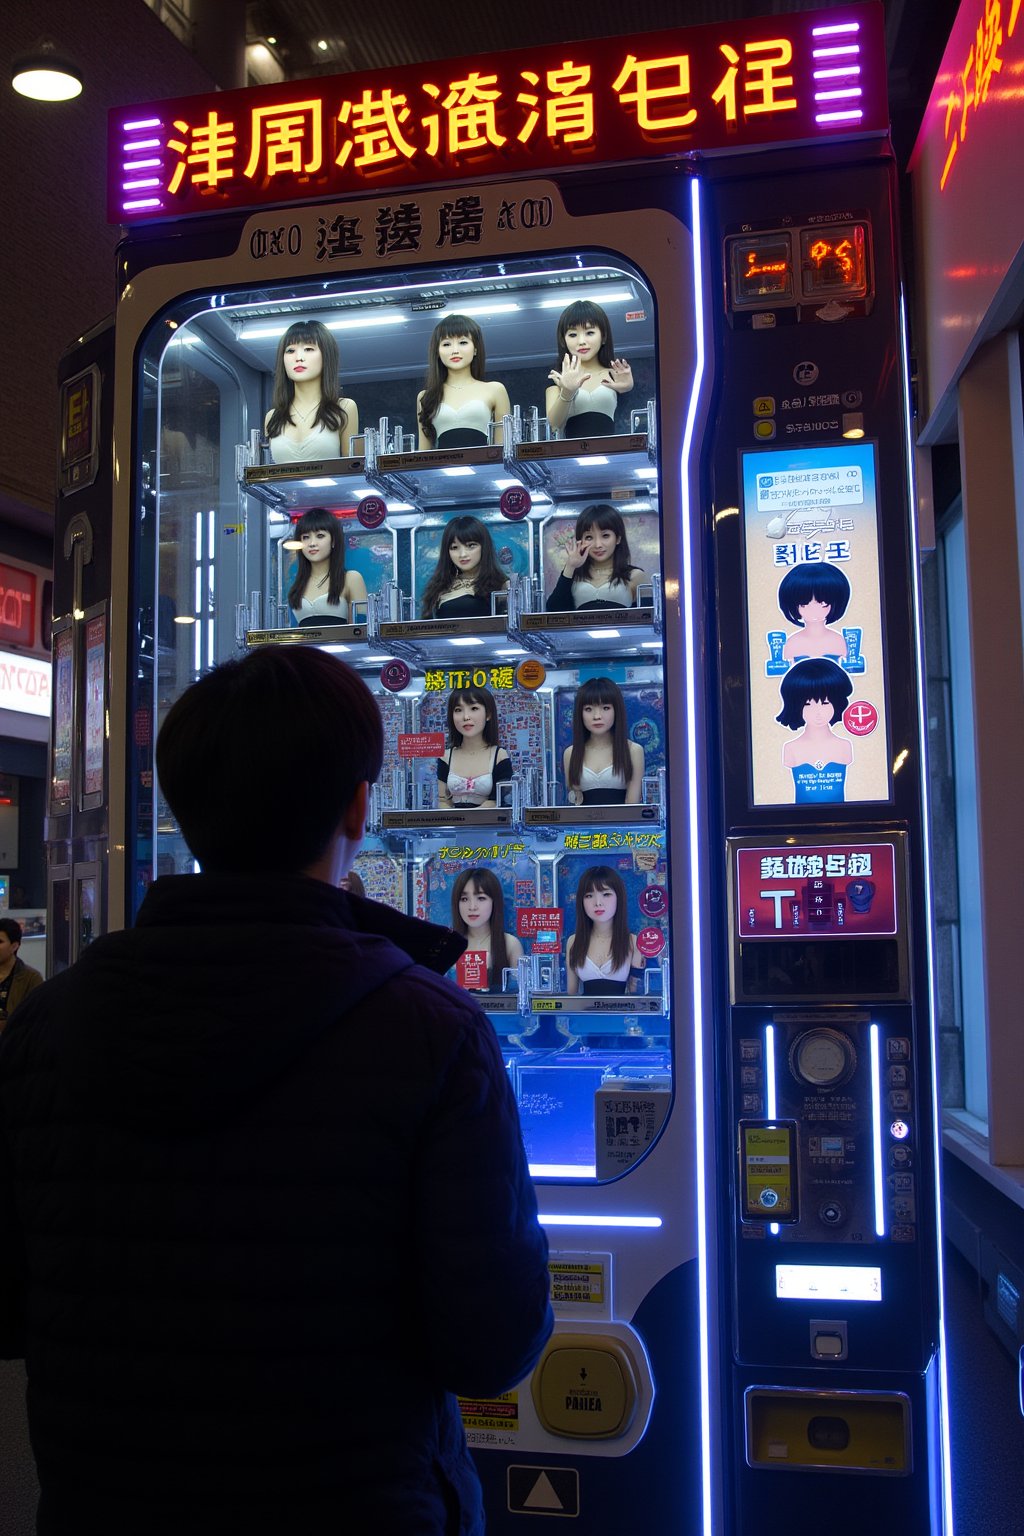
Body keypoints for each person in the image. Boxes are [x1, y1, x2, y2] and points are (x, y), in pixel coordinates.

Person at [0, 646, 552, 1536]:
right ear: (360, 805)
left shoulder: (45, 1023)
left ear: (182, 806)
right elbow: (493, 1343)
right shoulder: (432, 1027)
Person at [264, 319, 359, 463]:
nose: (299, 358)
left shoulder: (345, 408)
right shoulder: (272, 417)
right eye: (290, 350)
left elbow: (356, 470)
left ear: (326, 355)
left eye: (308, 349)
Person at [417, 316, 510, 449]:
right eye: (446, 344)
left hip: (486, 467)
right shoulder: (425, 397)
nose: (455, 350)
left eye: (463, 342)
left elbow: (504, 448)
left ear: (475, 348)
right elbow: (423, 454)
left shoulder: (495, 390)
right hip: (442, 467)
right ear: (437, 352)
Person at [545, 299, 633, 438]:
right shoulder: (558, 376)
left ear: (603, 336)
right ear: (563, 340)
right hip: (570, 456)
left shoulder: (616, 375)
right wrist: (567, 392)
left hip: (612, 454)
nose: (581, 341)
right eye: (573, 334)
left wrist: (628, 389)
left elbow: (632, 424)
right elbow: (554, 424)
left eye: (590, 332)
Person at [776, 657, 855, 803]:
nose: (818, 712)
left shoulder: (845, 745)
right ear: (795, 705)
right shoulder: (790, 748)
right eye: (808, 704)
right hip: (799, 819)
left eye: (825, 702)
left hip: (842, 818)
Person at [546, 504, 646, 611]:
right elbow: (553, 611)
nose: (598, 544)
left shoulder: (635, 575)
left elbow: (650, 617)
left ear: (618, 538)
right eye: (589, 537)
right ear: (580, 541)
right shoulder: (573, 576)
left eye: (605, 535)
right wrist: (570, 566)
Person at [563, 677, 645, 806]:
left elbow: (632, 805)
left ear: (616, 711)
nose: (597, 716)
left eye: (605, 708)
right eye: (588, 709)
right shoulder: (570, 753)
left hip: (623, 824)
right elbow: (575, 800)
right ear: (580, 713)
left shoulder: (633, 750)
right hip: (583, 824)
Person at [565, 865, 644, 996]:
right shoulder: (573, 942)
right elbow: (571, 996)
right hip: (584, 1016)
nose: (598, 903)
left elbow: (636, 996)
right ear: (581, 901)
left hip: (622, 1015)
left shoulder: (633, 942)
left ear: (619, 897)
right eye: (589, 895)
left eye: (606, 894)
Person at [287, 506, 368, 626]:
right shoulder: (297, 587)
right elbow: (292, 634)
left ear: (334, 541)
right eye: (305, 537)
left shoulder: (351, 579)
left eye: (320, 536)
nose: (312, 543)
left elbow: (362, 631)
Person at [437, 687, 513, 810]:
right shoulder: (445, 757)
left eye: (474, 709)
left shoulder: (499, 756)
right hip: (452, 824)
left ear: (488, 714)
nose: (466, 717)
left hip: (488, 826)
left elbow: (499, 800)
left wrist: (470, 819)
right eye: (458, 710)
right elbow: (441, 800)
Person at [420, 515, 510, 619]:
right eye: (454, 547)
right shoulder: (438, 585)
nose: (462, 554)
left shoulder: (501, 585)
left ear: (484, 547)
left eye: (471, 545)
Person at [450, 868, 524, 992]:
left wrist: (488, 974)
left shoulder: (510, 944)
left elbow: (519, 994)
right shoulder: (448, 945)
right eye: (464, 899)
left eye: (481, 898)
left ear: (494, 902)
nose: (472, 907)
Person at [778, 561, 851, 661]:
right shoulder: (792, 642)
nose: (814, 610)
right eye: (804, 604)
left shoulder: (838, 641)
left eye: (823, 604)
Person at [0, 917, 42, 1032]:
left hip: (14, 1044)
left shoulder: (31, 978)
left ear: (14, 946)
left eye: (0, 942)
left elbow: (34, 1020)